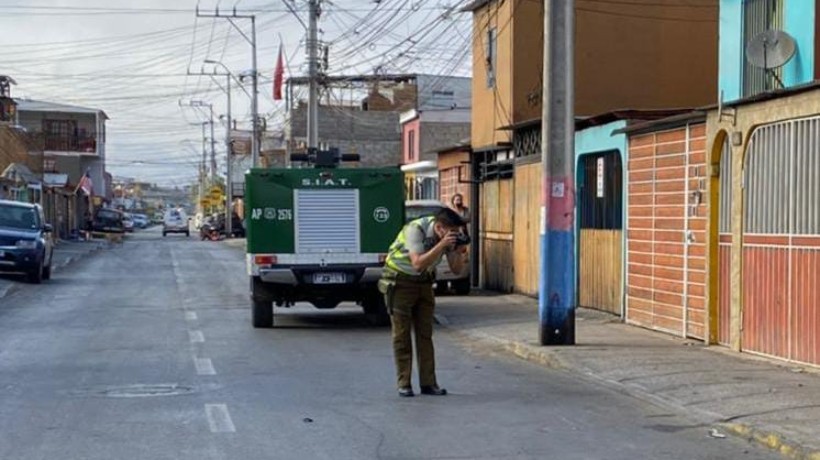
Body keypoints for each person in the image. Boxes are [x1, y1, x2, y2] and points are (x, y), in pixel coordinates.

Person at [380, 208, 468, 397]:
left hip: (425, 282)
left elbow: (456, 270)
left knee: (425, 334)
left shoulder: (447, 238)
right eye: (452, 231)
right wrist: (442, 245)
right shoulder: (415, 230)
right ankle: (404, 383)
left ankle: (429, 383)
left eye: (457, 232)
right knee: (402, 334)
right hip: (400, 281)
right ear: (439, 228)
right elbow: (418, 263)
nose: (455, 235)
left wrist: (459, 252)